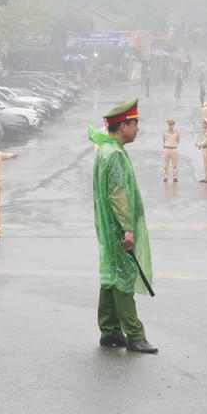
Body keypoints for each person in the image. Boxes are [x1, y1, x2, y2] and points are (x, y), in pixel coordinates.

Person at [88, 98, 157, 354]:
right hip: (118, 227)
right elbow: (118, 194)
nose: (137, 129)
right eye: (135, 124)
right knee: (123, 279)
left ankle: (109, 330)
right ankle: (135, 334)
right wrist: (127, 228)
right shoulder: (113, 154)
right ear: (123, 125)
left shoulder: (104, 149)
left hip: (108, 226)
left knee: (110, 276)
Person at [196, 118, 207, 183]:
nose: (202, 125)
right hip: (206, 148)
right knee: (206, 164)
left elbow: (205, 141)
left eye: (203, 123)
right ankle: (206, 177)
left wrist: (199, 144)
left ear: (206, 124)